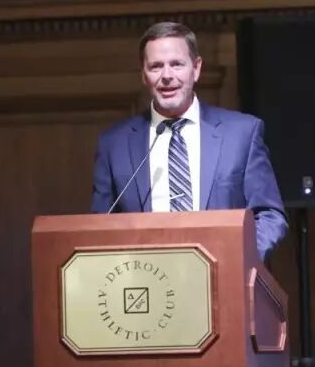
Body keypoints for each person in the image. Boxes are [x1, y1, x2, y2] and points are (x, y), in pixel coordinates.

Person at [91, 21, 287, 260]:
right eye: (156, 66)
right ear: (143, 74)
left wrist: (238, 259)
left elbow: (269, 215)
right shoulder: (114, 145)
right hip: (146, 276)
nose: (167, 76)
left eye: (176, 64)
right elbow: (99, 228)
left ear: (196, 68)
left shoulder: (242, 134)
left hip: (223, 273)